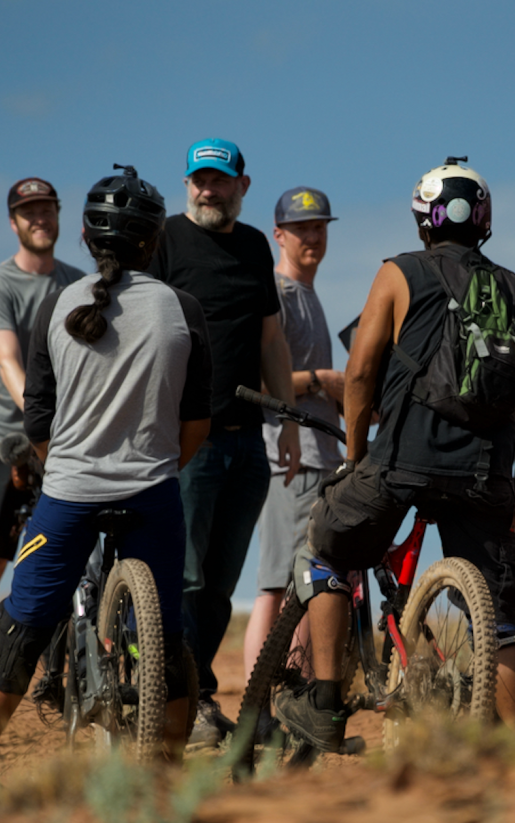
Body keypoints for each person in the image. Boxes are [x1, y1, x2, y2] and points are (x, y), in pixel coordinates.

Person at [0, 165, 212, 798]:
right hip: (153, 493)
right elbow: (197, 421)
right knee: (167, 631)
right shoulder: (182, 308)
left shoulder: (57, 307)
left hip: (70, 494)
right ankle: (166, 774)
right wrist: (158, 467)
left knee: (26, 620)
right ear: (154, 241)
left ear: (85, 235)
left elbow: (38, 419)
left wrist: (69, 466)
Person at [273, 158, 515, 752]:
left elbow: (360, 373)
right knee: (500, 619)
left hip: (401, 462)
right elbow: (513, 396)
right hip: (484, 472)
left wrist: (355, 457)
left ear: (423, 221)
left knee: (326, 551)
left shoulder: (398, 274)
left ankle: (324, 706)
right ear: (485, 222)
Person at [146, 139, 301, 747]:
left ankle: (195, 694)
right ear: (187, 184)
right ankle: (186, 705)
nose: (207, 190)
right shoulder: (165, 240)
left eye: (219, 180)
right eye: (199, 180)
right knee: (183, 579)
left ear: (242, 185)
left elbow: (271, 341)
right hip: (187, 442)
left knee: (218, 587)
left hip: (248, 443)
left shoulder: (256, 246)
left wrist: (288, 420)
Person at [0, 179, 85, 664]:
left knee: (71, 557)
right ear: (14, 223)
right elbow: (7, 358)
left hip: (64, 439)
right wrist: (41, 420)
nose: (40, 219)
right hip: (3, 439)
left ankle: (68, 669)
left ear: (59, 215)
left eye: (47, 209)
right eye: (29, 212)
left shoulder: (77, 284)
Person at [242, 187, 344, 684]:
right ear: (278, 235)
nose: (312, 236)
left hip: (319, 456)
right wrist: (324, 381)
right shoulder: (277, 293)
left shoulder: (308, 293)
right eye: (301, 228)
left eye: (319, 226)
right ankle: (259, 706)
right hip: (290, 459)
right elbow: (257, 383)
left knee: (306, 583)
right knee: (277, 584)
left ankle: (293, 695)